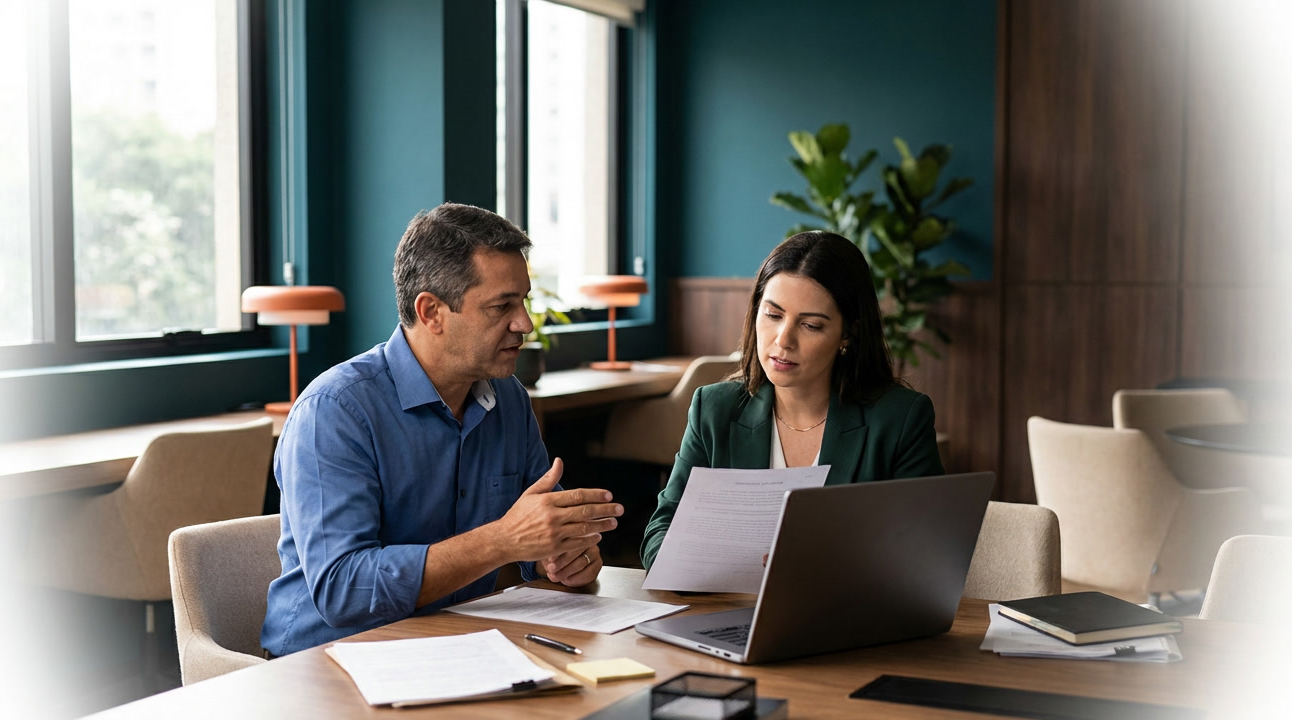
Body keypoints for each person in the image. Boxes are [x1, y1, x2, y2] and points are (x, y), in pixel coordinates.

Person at [262, 203, 622, 657]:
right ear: (431, 312)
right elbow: (343, 591)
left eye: (524, 300)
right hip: (325, 663)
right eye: (502, 306)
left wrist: (563, 555)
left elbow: (534, 539)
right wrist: (504, 540)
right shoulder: (333, 412)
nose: (525, 324)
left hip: (453, 646)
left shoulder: (507, 398)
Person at [640, 231, 945, 568]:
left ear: (848, 334)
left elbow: (924, 556)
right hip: (727, 611)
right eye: (772, 315)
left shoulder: (900, 419)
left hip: (847, 618)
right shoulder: (714, 409)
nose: (783, 340)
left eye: (811, 325)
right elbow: (660, 536)